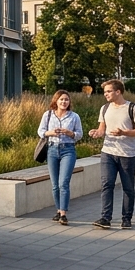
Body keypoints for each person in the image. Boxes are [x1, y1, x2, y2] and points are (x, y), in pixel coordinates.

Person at [88, 78, 135, 230]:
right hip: (108, 152)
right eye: (105, 92)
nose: (105, 94)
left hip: (128, 154)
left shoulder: (133, 108)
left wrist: (124, 132)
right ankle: (105, 218)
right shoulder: (105, 108)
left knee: (128, 187)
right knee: (107, 184)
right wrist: (97, 133)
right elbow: (102, 129)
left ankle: (126, 218)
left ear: (118, 91)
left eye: (108, 91)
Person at [39, 89, 83, 225]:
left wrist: (70, 133)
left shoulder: (74, 116)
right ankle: (58, 210)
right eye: (61, 99)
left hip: (68, 150)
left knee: (63, 183)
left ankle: (63, 213)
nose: (64, 102)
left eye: (66, 100)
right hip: (52, 149)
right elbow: (40, 131)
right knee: (55, 185)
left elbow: (79, 134)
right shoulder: (48, 115)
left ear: (69, 102)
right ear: (56, 101)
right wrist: (50, 132)